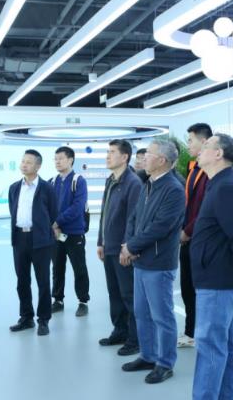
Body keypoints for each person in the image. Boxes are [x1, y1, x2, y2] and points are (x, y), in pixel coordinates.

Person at [189, 133, 233, 400]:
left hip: (218, 279)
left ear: (219, 154)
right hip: (217, 276)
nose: (199, 149)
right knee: (225, 345)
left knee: (210, 346)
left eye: (206, 145)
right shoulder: (218, 183)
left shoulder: (225, 186)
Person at [120, 140, 185, 384]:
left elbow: (161, 227)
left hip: (158, 262)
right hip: (140, 260)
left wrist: (132, 247)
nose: (144, 157)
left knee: (162, 316)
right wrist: (128, 244)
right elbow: (134, 218)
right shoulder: (149, 183)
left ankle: (165, 363)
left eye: (149, 153)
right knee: (142, 312)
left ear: (162, 160)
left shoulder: (174, 189)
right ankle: (148, 356)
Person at [97, 140, 143, 356]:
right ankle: (120, 330)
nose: (108, 156)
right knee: (114, 293)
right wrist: (100, 241)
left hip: (122, 249)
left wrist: (127, 247)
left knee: (129, 295)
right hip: (109, 247)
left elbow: (133, 220)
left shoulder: (133, 183)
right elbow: (104, 213)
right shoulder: (111, 180)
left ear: (124, 157)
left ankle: (135, 339)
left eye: (112, 152)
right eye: (107, 152)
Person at [8, 150, 57, 336]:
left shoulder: (47, 188)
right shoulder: (14, 188)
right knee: (22, 281)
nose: (24, 165)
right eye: (23, 161)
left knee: (43, 282)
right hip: (19, 238)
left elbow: (53, 212)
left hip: (41, 240)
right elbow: (13, 210)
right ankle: (26, 317)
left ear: (38, 166)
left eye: (29, 162)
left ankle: (43, 320)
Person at [178, 123, 213, 348]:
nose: (188, 144)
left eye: (191, 140)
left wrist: (187, 231)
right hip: (187, 239)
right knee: (187, 288)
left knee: (200, 290)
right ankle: (191, 331)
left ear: (204, 141)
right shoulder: (193, 169)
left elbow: (204, 210)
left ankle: (198, 332)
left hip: (199, 239)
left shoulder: (210, 173)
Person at [49, 146, 90, 317]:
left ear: (71, 160)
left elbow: (77, 207)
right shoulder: (52, 181)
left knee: (79, 268)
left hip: (74, 233)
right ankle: (58, 300)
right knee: (57, 268)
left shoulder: (78, 181)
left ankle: (83, 301)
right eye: (55, 159)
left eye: (61, 158)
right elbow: (47, 206)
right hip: (56, 234)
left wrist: (57, 222)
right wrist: (53, 224)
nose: (57, 162)